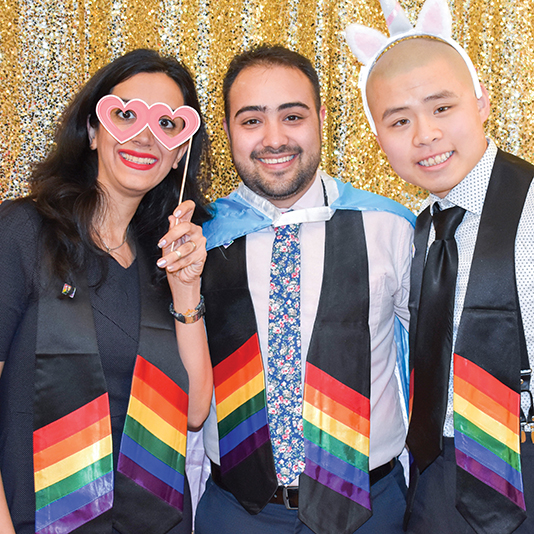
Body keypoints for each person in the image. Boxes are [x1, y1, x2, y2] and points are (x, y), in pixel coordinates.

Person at [194, 44, 416, 534]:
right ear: (228, 129)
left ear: (320, 118)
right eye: (251, 120)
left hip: (369, 507)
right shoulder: (199, 239)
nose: (274, 139)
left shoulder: (391, 227)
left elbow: (426, 356)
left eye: (292, 116)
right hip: (235, 511)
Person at [0, 48, 213, 534]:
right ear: (93, 132)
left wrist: (185, 288)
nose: (144, 136)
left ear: (180, 151)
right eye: (125, 115)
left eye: (167, 126)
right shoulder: (24, 231)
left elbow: (195, 410)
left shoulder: (163, 257)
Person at [346, 0, 534, 532]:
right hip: (435, 479)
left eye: (442, 108)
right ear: (378, 137)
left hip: (521, 465)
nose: (424, 134)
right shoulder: (417, 229)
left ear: (482, 103)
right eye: (398, 120)